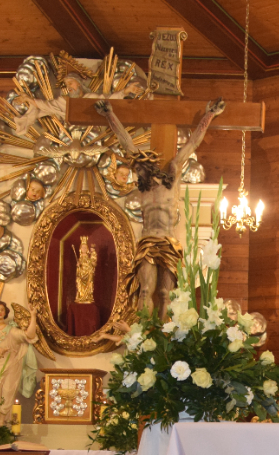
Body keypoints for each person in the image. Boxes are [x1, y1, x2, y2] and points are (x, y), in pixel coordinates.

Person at [96, 97, 225, 314]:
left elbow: (192, 143)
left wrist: (209, 115)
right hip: (147, 241)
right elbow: (126, 142)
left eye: (150, 165)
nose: (147, 168)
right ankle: (143, 333)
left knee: (167, 295)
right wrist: (109, 114)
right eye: (144, 166)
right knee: (145, 291)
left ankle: (163, 341)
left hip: (168, 242)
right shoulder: (145, 187)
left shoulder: (172, 179)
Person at [0, 301, 40, 424]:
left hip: (11, 367)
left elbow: (29, 334)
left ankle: (3, 422)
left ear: (6, 312)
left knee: (7, 395)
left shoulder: (12, 331)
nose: (0, 312)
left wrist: (33, 316)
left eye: (2, 309)